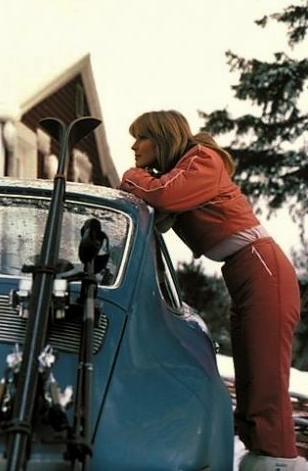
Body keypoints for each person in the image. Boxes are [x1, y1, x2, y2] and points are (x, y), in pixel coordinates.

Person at [119, 110, 302, 471]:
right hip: (244, 272)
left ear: (162, 136)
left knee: (266, 377)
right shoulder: (178, 174)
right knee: (251, 373)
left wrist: (131, 177)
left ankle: (279, 462)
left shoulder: (203, 159)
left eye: (141, 137)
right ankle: (259, 456)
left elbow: (163, 195)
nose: (134, 146)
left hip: (262, 268)